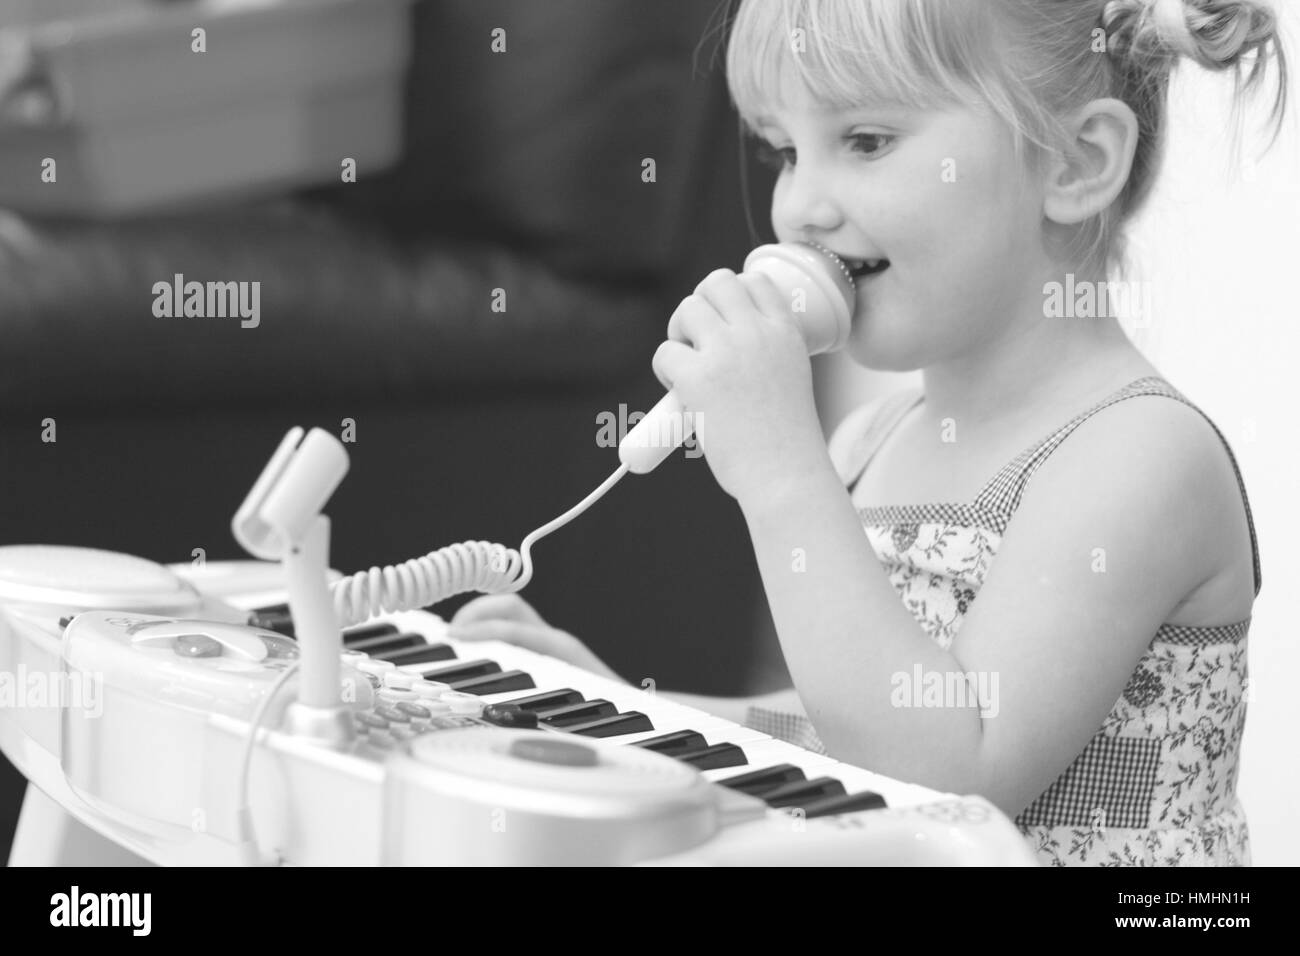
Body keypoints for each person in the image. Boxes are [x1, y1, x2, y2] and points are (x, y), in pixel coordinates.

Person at [449, 0, 1286, 866]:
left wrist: (782, 473)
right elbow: (838, 738)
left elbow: (950, 781)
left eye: (867, 141)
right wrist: (624, 713)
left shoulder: (1137, 457)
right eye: (785, 151)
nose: (801, 206)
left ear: (1075, 163)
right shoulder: (874, 441)